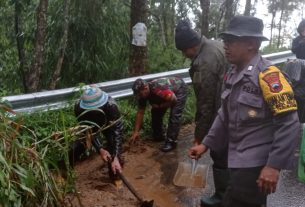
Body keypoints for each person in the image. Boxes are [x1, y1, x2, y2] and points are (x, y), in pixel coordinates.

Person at [189, 16, 301, 207]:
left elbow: (289, 124)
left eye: (231, 41)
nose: (225, 45)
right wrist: (206, 144)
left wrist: (273, 166)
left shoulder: (269, 77)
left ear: (251, 44)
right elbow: (224, 114)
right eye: (225, 40)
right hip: (237, 159)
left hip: (255, 165)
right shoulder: (232, 73)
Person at [175, 20, 229, 207]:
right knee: (234, 153)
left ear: (191, 46)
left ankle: (223, 198)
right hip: (234, 105)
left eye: (184, 51)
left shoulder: (204, 62)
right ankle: (233, 193)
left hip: (223, 109)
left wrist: (200, 138)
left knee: (220, 152)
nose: (185, 55)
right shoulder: (216, 44)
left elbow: (206, 103)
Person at [71, 86, 124, 182]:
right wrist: (100, 149)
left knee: (113, 147)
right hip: (91, 126)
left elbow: (117, 132)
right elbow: (87, 131)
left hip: (108, 124)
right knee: (77, 146)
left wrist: (116, 156)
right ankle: (65, 171)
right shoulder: (79, 108)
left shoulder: (111, 106)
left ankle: (115, 176)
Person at [130, 77, 187, 152]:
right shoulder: (142, 94)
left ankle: (171, 142)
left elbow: (173, 100)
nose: (139, 96)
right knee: (155, 112)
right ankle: (159, 135)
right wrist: (136, 132)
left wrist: (160, 106)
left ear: (146, 88)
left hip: (178, 89)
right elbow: (140, 112)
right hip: (166, 94)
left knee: (174, 115)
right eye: (138, 94)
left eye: (140, 93)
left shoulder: (157, 88)